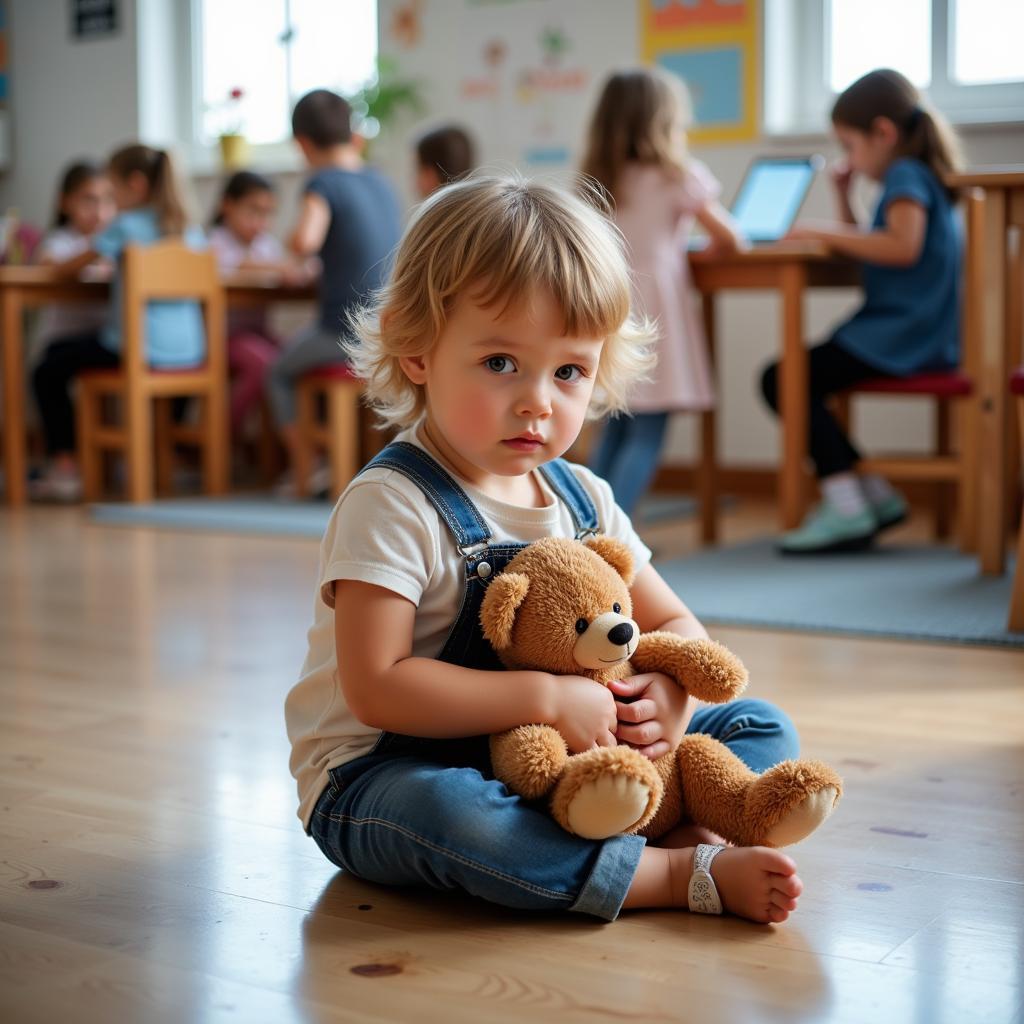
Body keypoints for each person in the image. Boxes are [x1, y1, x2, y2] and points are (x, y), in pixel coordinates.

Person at [285, 175, 805, 926]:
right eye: (501, 363)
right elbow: (377, 687)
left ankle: (674, 821)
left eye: (569, 371)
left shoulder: (583, 496)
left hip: (563, 755)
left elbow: (680, 629)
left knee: (758, 725)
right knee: (454, 812)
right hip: (388, 774)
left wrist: (670, 703)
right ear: (417, 348)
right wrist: (545, 698)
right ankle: (661, 873)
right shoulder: (392, 502)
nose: (538, 400)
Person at [761, 68, 963, 554]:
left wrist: (818, 229)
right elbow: (870, 247)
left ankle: (848, 502)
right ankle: (871, 495)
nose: (849, 157)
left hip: (901, 338)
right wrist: (842, 197)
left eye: (850, 146)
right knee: (795, 377)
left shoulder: (906, 174)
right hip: (919, 337)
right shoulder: (919, 177)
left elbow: (901, 246)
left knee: (783, 379)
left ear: (884, 133)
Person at [580, 68, 743, 516]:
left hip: (609, 307)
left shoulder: (597, 180)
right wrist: (687, 256)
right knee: (648, 431)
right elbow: (732, 240)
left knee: (614, 425)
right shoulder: (677, 176)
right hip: (655, 313)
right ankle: (612, 531)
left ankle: (583, 524)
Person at [31, 144, 204, 502]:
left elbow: (65, 269)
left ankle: (65, 463)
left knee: (46, 369)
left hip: (136, 350)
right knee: (68, 352)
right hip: (190, 353)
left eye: (112, 191)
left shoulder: (126, 226)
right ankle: (167, 458)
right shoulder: (190, 230)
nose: (110, 202)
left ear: (136, 186)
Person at [267, 89, 402, 494]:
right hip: (388, 325)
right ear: (352, 134)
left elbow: (307, 239)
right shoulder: (380, 182)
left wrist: (294, 250)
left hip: (344, 331)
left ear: (302, 144)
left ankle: (311, 465)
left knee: (276, 372)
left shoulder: (322, 182)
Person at [209, 170, 303, 434]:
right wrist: (278, 268)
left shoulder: (265, 246)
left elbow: (284, 268)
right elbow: (231, 266)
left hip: (258, 334)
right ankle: (224, 435)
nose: (261, 222)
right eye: (253, 211)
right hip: (223, 337)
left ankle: (288, 444)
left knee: (294, 356)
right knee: (265, 363)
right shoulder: (214, 242)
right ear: (227, 205)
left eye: (267, 213)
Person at [33, 161, 116, 353]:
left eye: (107, 200)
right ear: (64, 202)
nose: (99, 212)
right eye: (89, 200)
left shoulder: (116, 243)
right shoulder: (59, 241)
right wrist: (96, 252)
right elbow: (47, 266)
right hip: (64, 339)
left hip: (104, 340)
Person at [413, 124, 476, 197]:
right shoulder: (483, 203)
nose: (416, 184)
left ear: (430, 174)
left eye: (418, 170)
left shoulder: (439, 208)